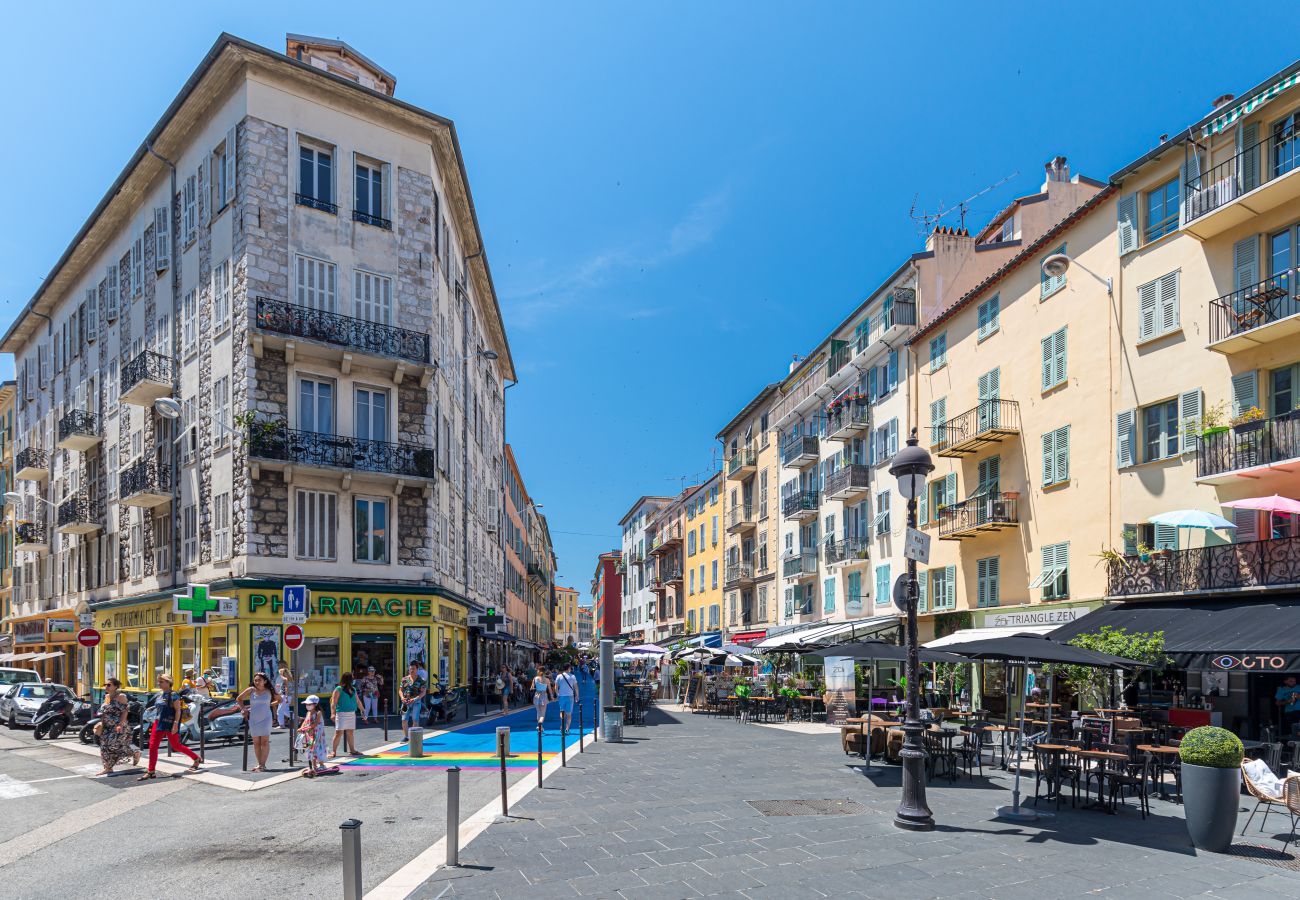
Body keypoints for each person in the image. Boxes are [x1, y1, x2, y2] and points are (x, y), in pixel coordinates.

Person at [138, 674, 201, 780]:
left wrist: (176, 724)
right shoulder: (159, 695)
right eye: (159, 681)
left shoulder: (174, 695)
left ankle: (196, 758)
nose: (159, 683)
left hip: (170, 723)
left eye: (162, 681)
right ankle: (151, 771)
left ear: (168, 683)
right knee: (153, 746)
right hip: (158, 723)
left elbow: (178, 710)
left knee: (176, 746)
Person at [236, 672, 280, 772]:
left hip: (266, 718)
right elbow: (239, 699)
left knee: (264, 741)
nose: (256, 682)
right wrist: (243, 709)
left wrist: (269, 704)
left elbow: (280, 700)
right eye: (255, 680)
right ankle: (259, 763)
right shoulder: (251, 690)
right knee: (256, 742)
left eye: (259, 680)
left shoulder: (270, 690)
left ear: (264, 681)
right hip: (254, 718)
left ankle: (262, 765)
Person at [96, 678, 140, 776]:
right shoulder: (107, 696)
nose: (106, 686)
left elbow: (125, 711)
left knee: (114, 746)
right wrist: (101, 723)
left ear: (116, 686)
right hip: (106, 726)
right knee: (104, 746)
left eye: (109, 685)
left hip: (118, 726)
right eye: (105, 684)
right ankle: (108, 768)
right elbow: (105, 710)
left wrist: (120, 724)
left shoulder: (121, 696)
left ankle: (134, 753)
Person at [330, 673, 360, 758]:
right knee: (338, 733)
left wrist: (363, 710)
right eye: (352, 678)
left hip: (351, 713)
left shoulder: (353, 689)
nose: (354, 680)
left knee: (350, 732)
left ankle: (352, 750)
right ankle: (334, 751)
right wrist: (332, 713)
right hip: (341, 714)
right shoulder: (338, 689)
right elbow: (333, 702)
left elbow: (357, 701)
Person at [298, 695, 327, 777]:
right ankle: (314, 766)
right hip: (309, 734)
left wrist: (304, 728)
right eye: (307, 704)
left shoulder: (318, 713)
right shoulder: (308, 713)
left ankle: (322, 765)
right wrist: (301, 728)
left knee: (317, 748)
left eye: (309, 704)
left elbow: (315, 724)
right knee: (310, 749)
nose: (307, 706)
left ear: (315, 704)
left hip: (317, 734)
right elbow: (305, 722)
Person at [399, 663, 427, 740]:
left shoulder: (421, 680)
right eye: (410, 668)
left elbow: (423, 692)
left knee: (415, 719)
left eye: (413, 669)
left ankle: (414, 737)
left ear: (417, 669)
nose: (411, 670)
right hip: (405, 702)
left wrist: (414, 699)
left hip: (416, 702)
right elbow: (400, 690)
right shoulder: (404, 679)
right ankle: (406, 736)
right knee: (404, 720)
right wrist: (402, 697)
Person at [555, 663, 579, 731]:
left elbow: (556, 687)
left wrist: (557, 694)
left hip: (561, 696)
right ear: (568, 668)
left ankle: (562, 725)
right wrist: (577, 696)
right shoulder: (573, 676)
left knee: (562, 711)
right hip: (570, 696)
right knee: (569, 714)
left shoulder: (559, 676)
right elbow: (576, 687)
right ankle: (567, 728)